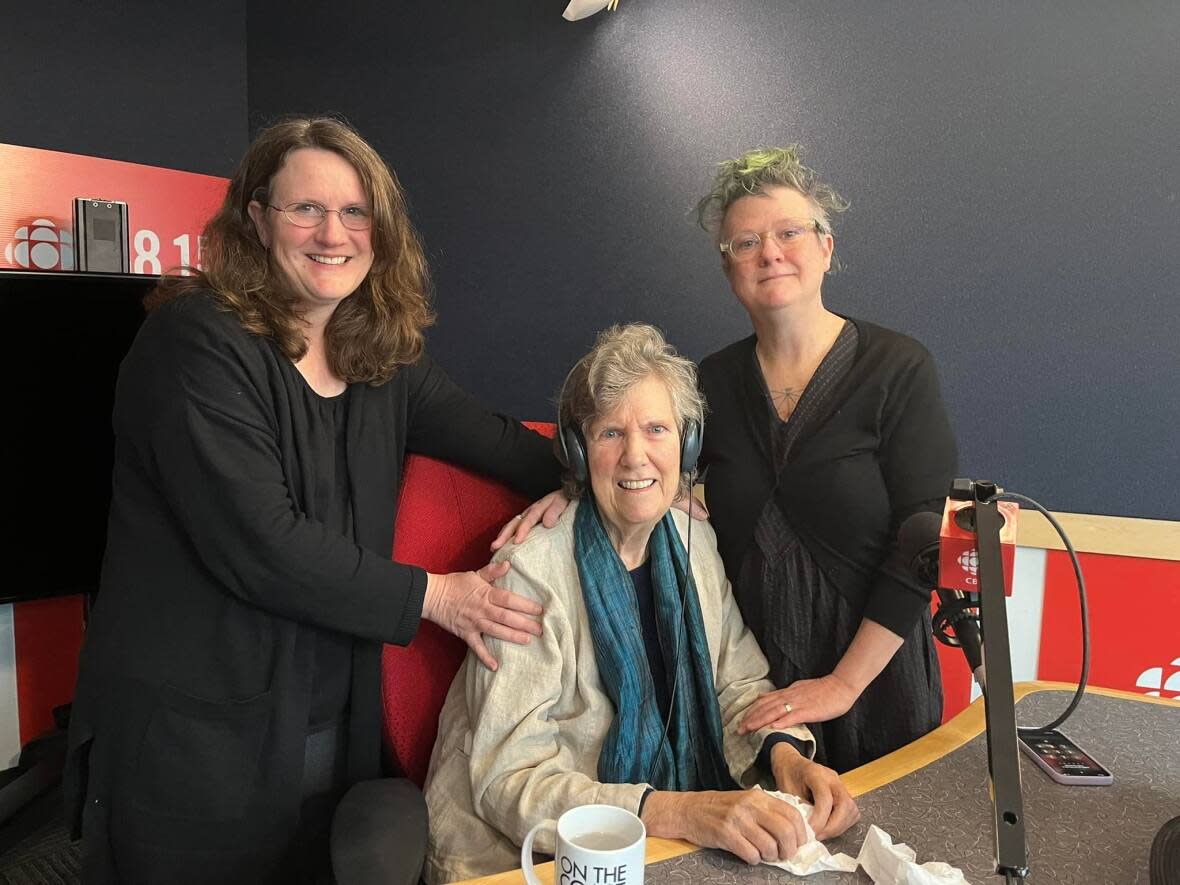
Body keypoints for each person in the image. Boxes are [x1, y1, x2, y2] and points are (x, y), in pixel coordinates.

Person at [64, 117, 564, 885]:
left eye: (355, 212)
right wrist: (441, 598)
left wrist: (599, 482)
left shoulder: (381, 359)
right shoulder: (195, 345)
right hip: (190, 749)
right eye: (307, 209)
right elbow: (264, 543)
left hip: (324, 735)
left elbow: (502, 442)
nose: (334, 232)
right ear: (258, 220)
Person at [423, 324, 858, 884]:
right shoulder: (528, 572)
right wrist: (682, 811)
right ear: (580, 453)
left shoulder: (693, 540)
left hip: (656, 847)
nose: (636, 457)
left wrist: (787, 757)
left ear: (688, 446)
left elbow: (739, 684)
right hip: (521, 860)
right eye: (610, 434)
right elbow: (509, 780)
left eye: (657, 429)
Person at [694, 146, 958, 772]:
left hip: (876, 685)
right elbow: (645, 473)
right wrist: (568, 492)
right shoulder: (709, 381)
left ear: (826, 247)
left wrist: (842, 686)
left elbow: (921, 544)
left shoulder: (897, 367)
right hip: (753, 686)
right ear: (728, 267)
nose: (770, 252)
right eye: (746, 242)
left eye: (789, 232)